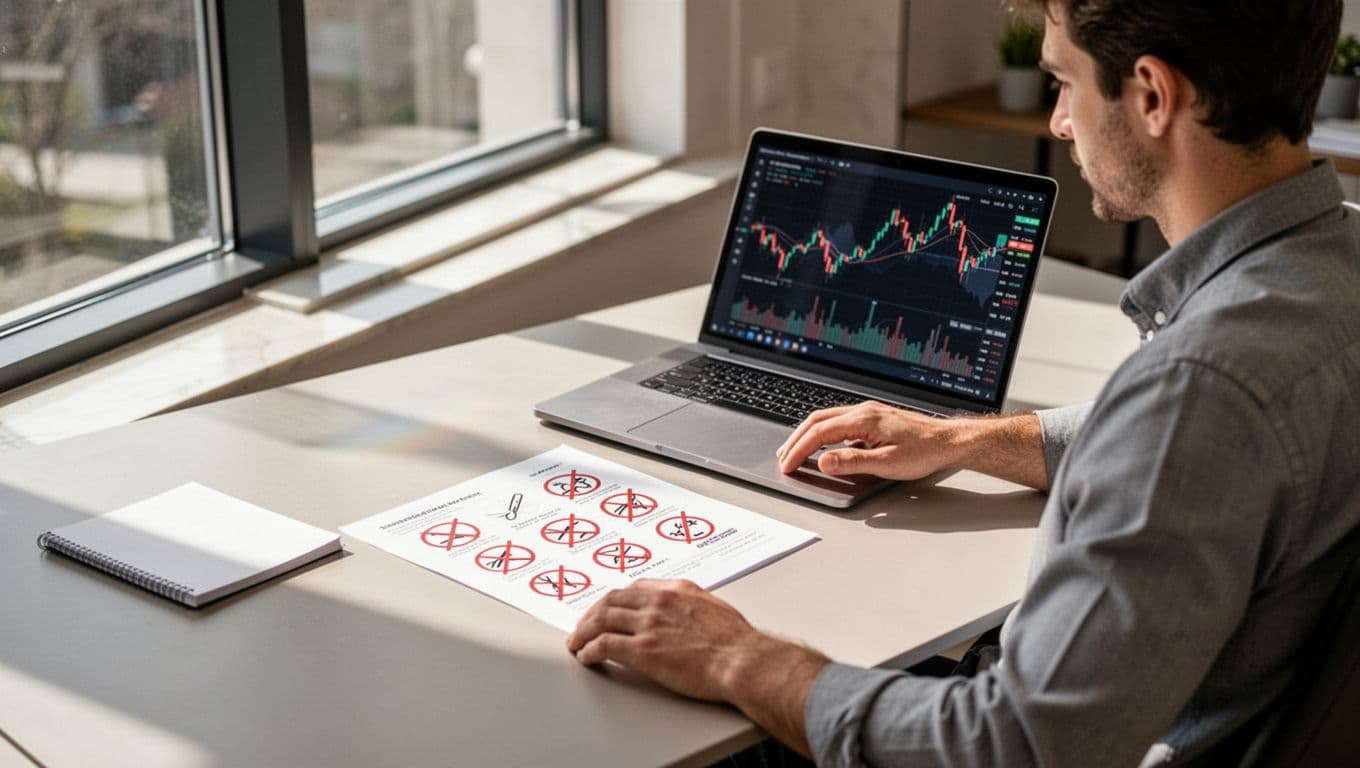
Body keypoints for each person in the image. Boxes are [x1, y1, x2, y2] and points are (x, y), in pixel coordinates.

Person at [567, 0, 1360, 764]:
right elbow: (1213, 442)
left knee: (635, 725)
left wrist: (741, 659)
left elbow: (1010, 750)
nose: (1057, 119)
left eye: (1064, 82)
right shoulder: (1331, 270)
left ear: (1152, 95)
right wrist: (961, 438)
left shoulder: (1198, 392)